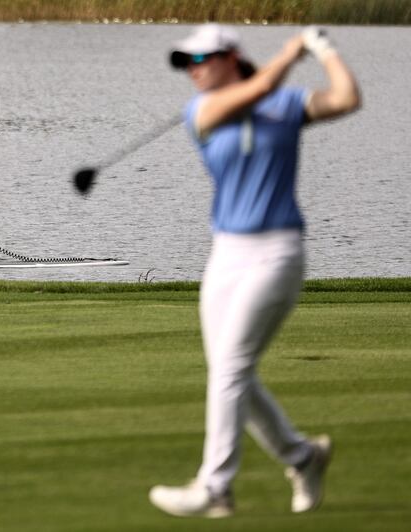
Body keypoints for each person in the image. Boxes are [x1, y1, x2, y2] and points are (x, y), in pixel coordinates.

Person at [148, 24, 360, 518]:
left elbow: (348, 98)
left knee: (230, 370)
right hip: (226, 254)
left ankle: (215, 487)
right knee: (230, 370)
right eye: (186, 63)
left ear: (229, 57)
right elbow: (260, 86)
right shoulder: (199, 112)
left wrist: (324, 50)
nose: (192, 70)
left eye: (200, 59)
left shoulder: (284, 106)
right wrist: (290, 51)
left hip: (277, 253)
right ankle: (302, 455)